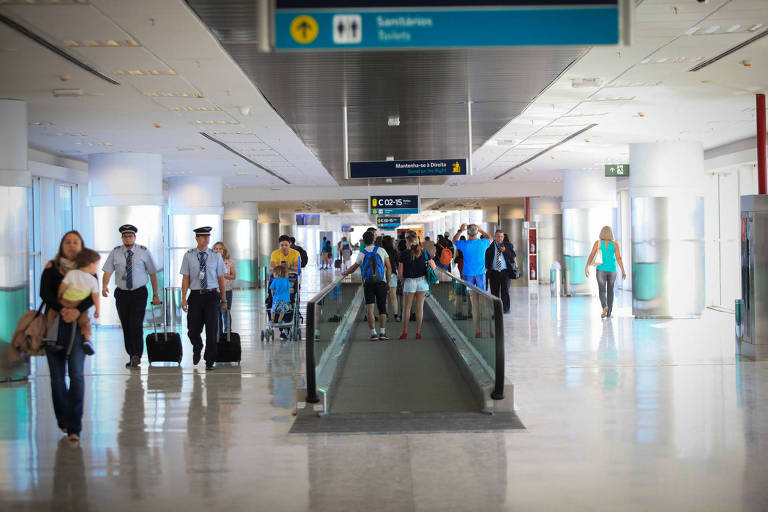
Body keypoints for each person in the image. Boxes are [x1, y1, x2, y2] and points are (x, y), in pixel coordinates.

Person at [40, 231, 93, 443]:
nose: (72, 245)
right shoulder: (51, 268)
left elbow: (93, 294)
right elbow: (45, 293)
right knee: (57, 379)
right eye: (68, 242)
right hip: (54, 326)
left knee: (77, 376)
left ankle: (75, 427)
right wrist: (64, 309)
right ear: (62, 245)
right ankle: (63, 418)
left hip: (78, 327)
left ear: (82, 246)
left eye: (76, 242)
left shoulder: (88, 267)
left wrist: (76, 310)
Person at [101, 224, 161, 368]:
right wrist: (104, 286)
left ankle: (136, 355)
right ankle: (131, 353)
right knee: (126, 325)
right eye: (125, 236)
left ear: (135, 237)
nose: (128, 239)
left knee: (136, 324)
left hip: (139, 293)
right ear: (122, 238)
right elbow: (108, 271)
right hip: (122, 294)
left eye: (130, 236)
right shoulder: (115, 252)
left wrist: (156, 295)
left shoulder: (144, 252)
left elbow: (153, 273)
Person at [180, 226, 228, 371]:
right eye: (202, 237)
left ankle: (209, 360)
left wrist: (224, 299)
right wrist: (183, 298)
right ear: (196, 238)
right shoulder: (188, 255)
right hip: (195, 295)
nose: (206, 239)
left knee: (212, 329)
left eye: (208, 237)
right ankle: (197, 345)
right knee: (192, 329)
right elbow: (185, 278)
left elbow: (221, 279)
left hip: (212, 295)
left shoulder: (216, 255)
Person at [342, 230, 391, 340]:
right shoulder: (382, 250)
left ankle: (373, 334)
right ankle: (382, 333)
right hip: (381, 282)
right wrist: (388, 282)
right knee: (382, 308)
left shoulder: (362, 253)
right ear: (374, 239)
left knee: (370, 309)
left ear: (364, 241)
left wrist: (345, 273)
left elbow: (354, 268)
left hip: (368, 283)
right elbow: (389, 267)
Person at [55, 248, 101, 356]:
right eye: (96, 265)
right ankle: (87, 340)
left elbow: (63, 286)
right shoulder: (93, 280)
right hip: (79, 304)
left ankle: (55, 340)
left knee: (58, 319)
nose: (96, 268)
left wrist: (59, 295)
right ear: (90, 264)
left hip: (65, 301)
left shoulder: (72, 273)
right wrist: (97, 310)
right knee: (85, 322)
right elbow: (95, 297)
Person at [453, 224, 491, 337]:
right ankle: (489, 329)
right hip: (480, 275)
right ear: (476, 232)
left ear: (468, 233)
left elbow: (454, 240)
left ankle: (478, 330)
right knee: (485, 300)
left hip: (468, 275)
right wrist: (481, 230)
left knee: (474, 302)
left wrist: (460, 230)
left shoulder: (464, 245)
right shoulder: (482, 243)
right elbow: (490, 238)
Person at [398, 233, 437, 340]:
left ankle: (405, 332)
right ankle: (418, 332)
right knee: (419, 308)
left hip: (409, 282)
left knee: (407, 308)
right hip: (422, 282)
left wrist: (402, 282)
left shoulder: (404, 254)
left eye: (406, 241)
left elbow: (400, 272)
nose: (406, 243)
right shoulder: (424, 252)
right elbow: (433, 266)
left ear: (409, 242)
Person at [585, 225, 627, 318]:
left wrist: (587, 267)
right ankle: (609, 313)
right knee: (610, 290)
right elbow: (618, 258)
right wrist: (623, 271)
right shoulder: (615, 244)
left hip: (601, 270)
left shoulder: (598, 243)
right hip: (612, 270)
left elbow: (592, 255)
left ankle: (605, 306)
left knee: (602, 290)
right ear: (611, 234)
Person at [485, 229, 516, 314]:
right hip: (494, 272)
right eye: (498, 236)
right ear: (495, 237)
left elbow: (513, 256)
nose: (500, 238)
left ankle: (506, 308)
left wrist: (505, 251)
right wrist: (486, 267)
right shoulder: (490, 245)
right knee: (494, 291)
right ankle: (496, 309)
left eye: (502, 236)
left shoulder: (508, 245)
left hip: (504, 272)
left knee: (505, 291)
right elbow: (486, 257)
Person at [213, 241, 236, 333]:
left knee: (226, 312)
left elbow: (233, 276)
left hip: (227, 290)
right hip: (215, 291)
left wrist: (223, 275)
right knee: (216, 313)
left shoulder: (229, 262)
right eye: (216, 249)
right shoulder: (211, 261)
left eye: (220, 249)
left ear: (224, 250)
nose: (218, 250)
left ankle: (228, 332)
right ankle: (219, 333)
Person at [382, 235, 400, 321]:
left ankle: (386, 316)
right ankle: (396, 316)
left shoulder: (381, 251)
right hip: (392, 274)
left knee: (384, 297)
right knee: (393, 296)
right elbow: (397, 264)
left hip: (383, 275)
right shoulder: (394, 251)